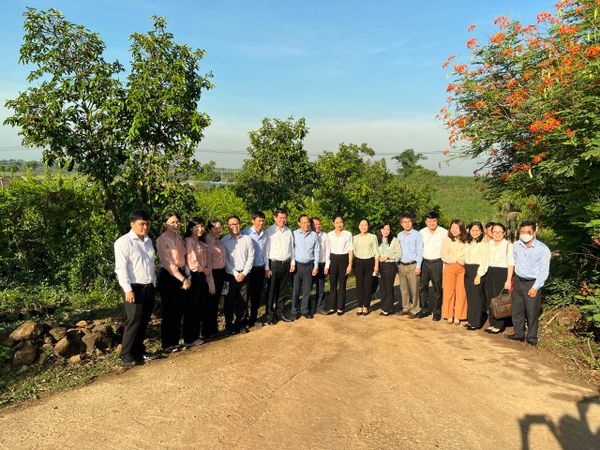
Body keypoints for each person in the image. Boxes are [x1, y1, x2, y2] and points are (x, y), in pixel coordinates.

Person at [114, 210, 157, 366]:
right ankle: (126, 354)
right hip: (133, 287)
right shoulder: (123, 242)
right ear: (132, 224)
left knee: (144, 320)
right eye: (141, 224)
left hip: (148, 286)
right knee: (133, 321)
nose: (145, 227)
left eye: (147, 224)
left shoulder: (148, 241)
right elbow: (121, 268)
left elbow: (150, 264)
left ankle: (139, 351)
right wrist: (127, 289)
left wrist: (154, 283)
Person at [506, 221, 551, 346]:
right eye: (522, 232)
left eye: (528, 232)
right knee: (517, 309)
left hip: (532, 282)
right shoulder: (516, 245)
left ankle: (531, 337)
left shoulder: (542, 249)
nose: (525, 234)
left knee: (532, 311)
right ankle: (519, 334)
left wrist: (535, 287)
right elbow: (514, 262)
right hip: (518, 280)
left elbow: (544, 271)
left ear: (534, 232)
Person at [156, 212, 191, 352]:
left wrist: (187, 276)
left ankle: (175, 342)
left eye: (177, 222)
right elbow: (168, 264)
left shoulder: (179, 238)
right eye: (173, 222)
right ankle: (167, 344)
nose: (176, 225)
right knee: (169, 310)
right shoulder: (161, 240)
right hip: (169, 277)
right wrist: (182, 279)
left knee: (179, 309)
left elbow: (185, 258)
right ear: (165, 224)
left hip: (182, 274)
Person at [184, 217, 215, 346]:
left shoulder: (201, 243)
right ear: (191, 228)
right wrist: (204, 269)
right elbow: (192, 264)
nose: (200, 229)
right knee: (192, 307)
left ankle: (195, 335)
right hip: (193, 276)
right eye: (197, 226)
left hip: (201, 276)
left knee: (199, 306)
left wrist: (208, 277)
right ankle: (190, 338)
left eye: (202, 226)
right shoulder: (188, 241)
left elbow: (207, 263)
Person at [221, 215, 255, 334]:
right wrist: (235, 273)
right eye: (231, 224)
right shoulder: (223, 241)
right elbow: (224, 259)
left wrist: (244, 273)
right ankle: (229, 325)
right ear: (227, 226)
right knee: (228, 300)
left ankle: (240, 323)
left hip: (245, 275)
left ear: (240, 224)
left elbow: (251, 257)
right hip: (229, 276)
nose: (234, 226)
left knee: (243, 300)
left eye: (236, 224)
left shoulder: (247, 239)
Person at [264, 209, 294, 323]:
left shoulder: (288, 231)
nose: (282, 220)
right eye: (280, 217)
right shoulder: (269, 231)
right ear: (275, 218)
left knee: (282, 290)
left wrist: (292, 262)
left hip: (286, 264)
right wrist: (267, 267)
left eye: (284, 218)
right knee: (271, 291)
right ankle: (269, 316)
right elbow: (266, 251)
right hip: (273, 264)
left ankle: (280, 313)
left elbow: (292, 248)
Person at [484, 223, 514, 334]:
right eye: (494, 232)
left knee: (499, 299)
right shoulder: (488, 244)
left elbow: (511, 264)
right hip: (489, 271)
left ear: (504, 233)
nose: (497, 234)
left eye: (499, 232)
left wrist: (508, 280)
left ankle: (499, 325)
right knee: (490, 299)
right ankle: (492, 323)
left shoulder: (508, 245)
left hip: (502, 273)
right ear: (491, 232)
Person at [290, 214, 320, 319]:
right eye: (303, 222)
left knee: (307, 290)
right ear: (299, 223)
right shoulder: (294, 234)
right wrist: (292, 263)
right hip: (297, 266)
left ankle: (305, 310)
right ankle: (294, 312)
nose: (306, 224)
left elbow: (317, 251)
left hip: (309, 265)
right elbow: (291, 249)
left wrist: (316, 266)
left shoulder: (314, 235)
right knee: (296, 290)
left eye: (308, 222)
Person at [418, 212, 446, 321]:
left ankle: (437, 312)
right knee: (423, 287)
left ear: (437, 221)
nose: (432, 223)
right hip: (424, 262)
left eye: (434, 221)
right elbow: (419, 248)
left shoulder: (444, 232)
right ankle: (424, 309)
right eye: (429, 221)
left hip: (437, 263)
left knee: (437, 288)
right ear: (426, 222)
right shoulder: (421, 232)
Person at [241, 211, 267, 327]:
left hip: (260, 268)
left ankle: (253, 318)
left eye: (263, 221)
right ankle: (244, 319)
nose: (261, 223)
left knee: (256, 295)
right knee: (245, 294)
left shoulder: (265, 234)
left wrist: (266, 267)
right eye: (259, 220)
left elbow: (266, 251)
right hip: (249, 269)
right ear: (253, 221)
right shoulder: (246, 233)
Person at [397, 213, 423, 318]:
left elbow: (420, 251)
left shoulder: (417, 234)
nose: (407, 224)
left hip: (413, 265)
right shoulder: (399, 235)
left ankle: (415, 309)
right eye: (404, 222)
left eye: (409, 221)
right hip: (401, 265)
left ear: (412, 222)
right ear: (401, 224)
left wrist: (418, 266)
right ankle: (406, 308)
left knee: (414, 289)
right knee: (404, 288)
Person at [441, 219, 467, 325]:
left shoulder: (466, 241)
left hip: (462, 269)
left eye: (457, 228)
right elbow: (444, 254)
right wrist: (454, 259)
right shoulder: (447, 240)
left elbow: (466, 254)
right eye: (452, 227)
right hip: (449, 267)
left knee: (461, 293)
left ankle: (458, 315)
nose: (454, 230)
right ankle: (449, 314)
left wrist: (460, 260)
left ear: (461, 229)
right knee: (449, 292)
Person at [464, 221, 489, 330]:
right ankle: (470, 320)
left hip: (477, 271)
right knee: (470, 297)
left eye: (477, 230)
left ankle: (475, 323)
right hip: (468, 270)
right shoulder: (469, 242)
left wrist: (479, 275)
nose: (474, 232)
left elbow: (485, 261)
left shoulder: (484, 244)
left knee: (476, 298)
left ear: (481, 231)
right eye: (472, 230)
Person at [326, 215, 353, 315]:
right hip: (333, 259)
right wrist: (327, 265)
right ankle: (332, 307)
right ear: (333, 223)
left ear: (343, 222)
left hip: (344, 259)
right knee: (332, 284)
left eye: (341, 222)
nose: (339, 224)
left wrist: (350, 264)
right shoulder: (329, 235)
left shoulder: (348, 234)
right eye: (337, 222)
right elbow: (327, 250)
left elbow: (350, 249)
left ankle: (340, 307)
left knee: (342, 284)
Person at [352, 218, 380, 316]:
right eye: (361, 225)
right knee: (359, 285)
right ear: (358, 226)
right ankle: (360, 306)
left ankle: (366, 306)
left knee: (368, 285)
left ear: (368, 226)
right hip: (358, 262)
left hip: (370, 262)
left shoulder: (373, 237)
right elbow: (352, 251)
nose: (363, 227)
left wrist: (376, 265)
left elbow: (376, 252)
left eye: (365, 225)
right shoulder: (354, 238)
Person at [205, 219, 227, 338]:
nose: (219, 230)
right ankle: (209, 331)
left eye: (220, 227)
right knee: (211, 303)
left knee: (216, 302)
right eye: (216, 228)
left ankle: (214, 329)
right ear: (209, 229)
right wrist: (211, 283)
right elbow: (208, 264)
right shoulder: (207, 243)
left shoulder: (218, 240)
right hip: (213, 274)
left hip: (221, 273)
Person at [377, 221, 402, 316]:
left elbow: (399, 254)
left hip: (390, 266)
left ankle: (388, 309)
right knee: (382, 287)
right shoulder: (377, 240)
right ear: (380, 230)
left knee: (388, 287)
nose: (386, 231)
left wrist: (387, 257)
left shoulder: (395, 240)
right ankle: (384, 307)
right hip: (379, 266)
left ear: (390, 230)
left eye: (388, 229)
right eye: (384, 229)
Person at [311, 217, 329, 315]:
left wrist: (327, 265)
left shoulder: (325, 235)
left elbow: (327, 251)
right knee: (308, 287)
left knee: (320, 287)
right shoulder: (309, 235)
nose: (317, 226)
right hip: (310, 265)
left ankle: (320, 307)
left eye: (319, 224)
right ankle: (307, 307)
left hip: (321, 264)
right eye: (315, 224)